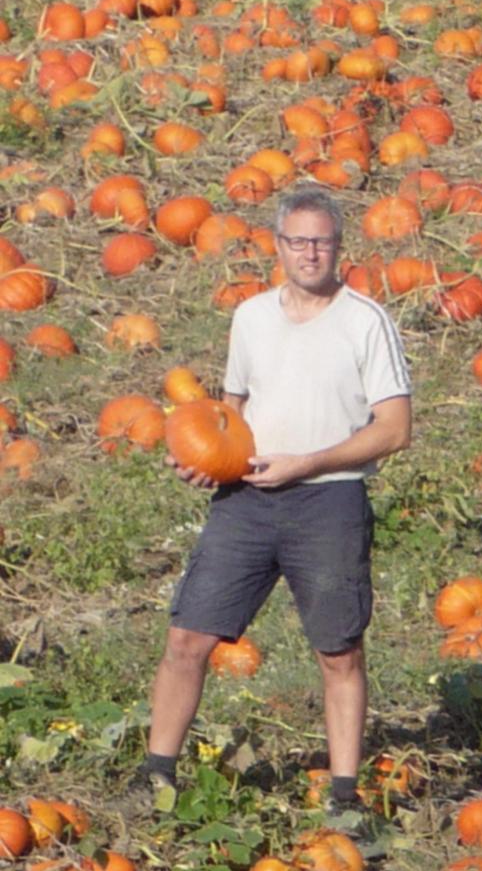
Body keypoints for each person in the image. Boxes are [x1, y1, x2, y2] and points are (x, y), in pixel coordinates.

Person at [139, 184, 412, 816]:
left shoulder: (364, 321)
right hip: (248, 501)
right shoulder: (252, 318)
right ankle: (157, 776)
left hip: (327, 500)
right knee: (188, 637)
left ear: (338, 246)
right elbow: (232, 415)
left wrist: (309, 461)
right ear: (279, 246)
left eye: (322, 240)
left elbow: (394, 429)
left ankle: (345, 795)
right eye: (298, 241)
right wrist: (209, 462)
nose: (310, 252)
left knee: (338, 651)